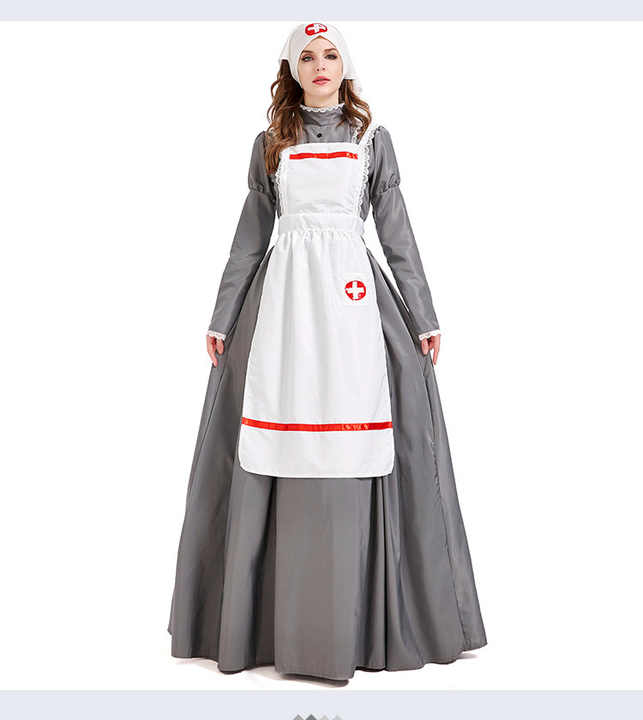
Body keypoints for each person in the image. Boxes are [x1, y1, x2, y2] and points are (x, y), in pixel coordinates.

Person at [167, 21, 487, 681]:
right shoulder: (271, 143)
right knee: (265, 429)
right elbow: (251, 235)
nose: (320, 65)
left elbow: (394, 229)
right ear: (292, 69)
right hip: (282, 303)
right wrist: (223, 316)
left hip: (351, 301)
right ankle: (262, 621)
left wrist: (422, 314)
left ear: (346, 65)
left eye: (331, 54)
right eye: (307, 56)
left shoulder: (371, 140)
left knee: (370, 426)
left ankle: (365, 617)